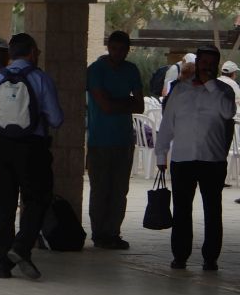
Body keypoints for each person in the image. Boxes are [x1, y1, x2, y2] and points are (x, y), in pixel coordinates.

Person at [0, 33, 64, 281]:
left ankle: (4, 264)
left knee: (4, 205)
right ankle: (21, 247)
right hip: (32, 148)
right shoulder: (40, 79)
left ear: (11, 54)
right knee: (38, 198)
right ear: (32, 52)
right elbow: (56, 119)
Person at [156, 44, 235, 272]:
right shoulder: (180, 90)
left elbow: (228, 112)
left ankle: (211, 257)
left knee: (212, 210)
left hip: (212, 159)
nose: (207, 68)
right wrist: (161, 153)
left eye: (211, 64)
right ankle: (180, 255)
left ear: (216, 65)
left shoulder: (223, 91)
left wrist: (210, 84)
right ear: (197, 63)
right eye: (203, 63)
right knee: (181, 210)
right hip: (183, 159)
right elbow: (167, 124)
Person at [86, 30, 144, 250]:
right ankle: (99, 232)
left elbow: (139, 105)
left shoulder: (131, 70)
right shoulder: (96, 70)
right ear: (108, 47)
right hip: (100, 139)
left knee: (120, 190)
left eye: (122, 49)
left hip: (124, 139)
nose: (118, 53)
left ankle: (113, 232)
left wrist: (116, 103)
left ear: (128, 50)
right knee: (100, 189)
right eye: (114, 48)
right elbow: (105, 106)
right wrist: (125, 102)